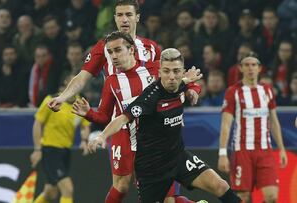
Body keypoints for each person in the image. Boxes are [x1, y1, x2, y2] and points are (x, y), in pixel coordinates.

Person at [47, 1, 187, 202]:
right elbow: (82, 76)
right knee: (121, 183)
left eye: (128, 14)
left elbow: (169, 81)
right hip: (121, 123)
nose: (124, 19)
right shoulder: (104, 48)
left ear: (137, 17)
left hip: (152, 125)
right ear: (114, 18)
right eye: (119, 15)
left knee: (161, 189)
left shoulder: (151, 48)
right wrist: (62, 97)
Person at [88, 48, 241, 203]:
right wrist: (102, 136)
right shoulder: (150, 97)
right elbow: (122, 119)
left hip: (178, 156)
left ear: (182, 73)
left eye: (176, 71)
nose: (172, 77)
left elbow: (189, 84)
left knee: (221, 186)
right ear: (159, 72)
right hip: (151, 168)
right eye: (166, 71)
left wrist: (193, 88)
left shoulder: (180, 84)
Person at [72, 31, 201, 203]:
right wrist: (88, 113)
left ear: (131, 50)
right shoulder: (112, 81)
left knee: (166, 199)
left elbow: (183, 80)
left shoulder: (155, 68)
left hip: (156, 141)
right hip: (124, 135)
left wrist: (193, 90)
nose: (113, 56)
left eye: (118, 50)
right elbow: (104, 116)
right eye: (110, 53)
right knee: (121, 186)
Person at [218, 52, 288, 203]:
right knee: (243, 197)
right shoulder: (233, 92)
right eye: (247, 65)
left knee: (272, 197)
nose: (251, 68)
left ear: (259, 68)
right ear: (240, 68)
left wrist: (281, 148)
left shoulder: (267, 90)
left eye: (254, 65)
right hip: (242, 149)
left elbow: (274, 121)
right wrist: (222, 153)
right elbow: (226, 124)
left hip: (265, 150)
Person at [30, 75, 90, 203]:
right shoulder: (52, 100)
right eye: (71, 82)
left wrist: (84, 141)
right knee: (67, 189)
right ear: (66, 84)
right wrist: (37, 149)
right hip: (50, 150)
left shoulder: (80, 103)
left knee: (50, 193)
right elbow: (38, 123)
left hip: (65, 151)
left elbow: (85, 126)